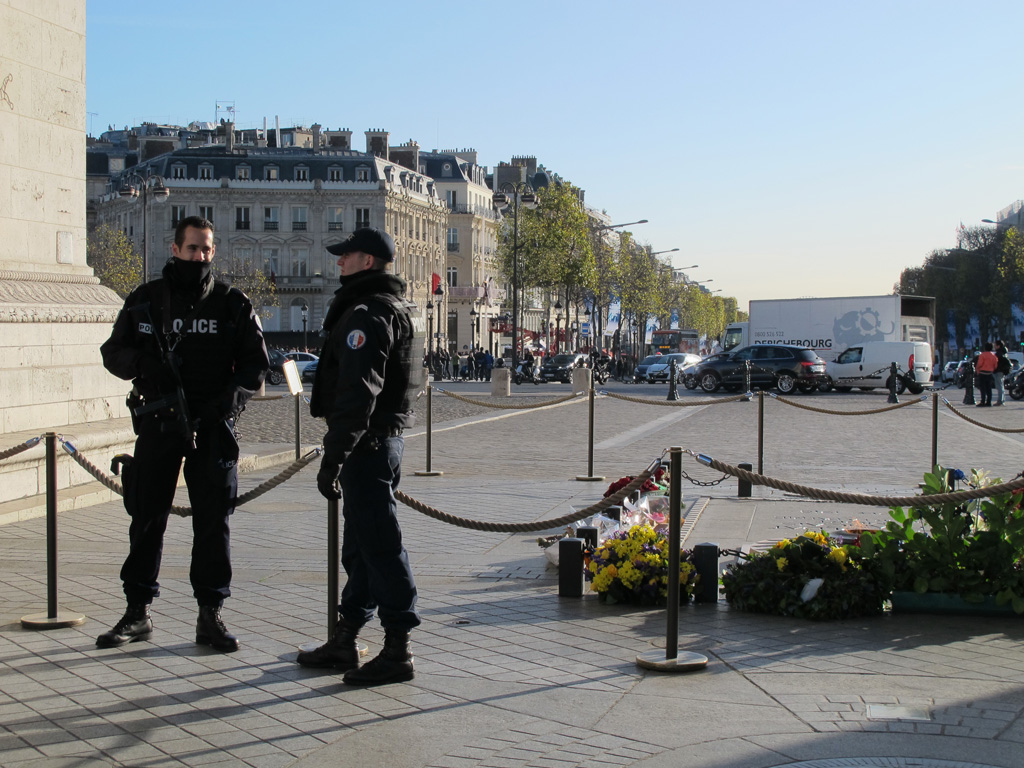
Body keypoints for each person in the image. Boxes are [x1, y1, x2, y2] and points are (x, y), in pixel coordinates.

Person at [97, 216, 270, 652]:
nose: (201, 257)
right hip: (159, 423)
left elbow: (256, 367)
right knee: (147, 516)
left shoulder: (232, 303)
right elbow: (112, 352)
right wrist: (144, 367)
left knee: (214, 523)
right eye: (193, 249)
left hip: (211, 426)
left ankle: (210, 613)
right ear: (175, 250)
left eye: (207, 249)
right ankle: (137, 611)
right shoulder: (146, 301)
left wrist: (224, 406)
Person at [300, 227, 421, 686]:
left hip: (367, 443)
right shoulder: (391, 307)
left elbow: (358, 393)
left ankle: (398, 650)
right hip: (379, 442)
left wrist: (334, 457)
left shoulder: (367, 314)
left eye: (346, 256)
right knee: (361, 548)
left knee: (380, 546)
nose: (339, 263)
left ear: (366, 261)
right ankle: (345, 637)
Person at [975, 342, 998, 407]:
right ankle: (989, 402)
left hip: (982, 373)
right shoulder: (993, 355)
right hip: (990, 373)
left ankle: (983, 401)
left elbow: (979, 364)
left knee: (982, 388)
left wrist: (977, 370)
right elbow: (995, 365)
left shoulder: (982, 355)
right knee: (989, 388)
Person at [994, 340, 1011, 406]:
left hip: (999, 371)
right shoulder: (1003, 352)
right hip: (1001, 371)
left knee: (999, 386)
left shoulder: (999, 353)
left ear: (998, 346)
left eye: (995, 345)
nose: (994, 346)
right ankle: (1001, 399)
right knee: (1000, 386)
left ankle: (1000, 400)